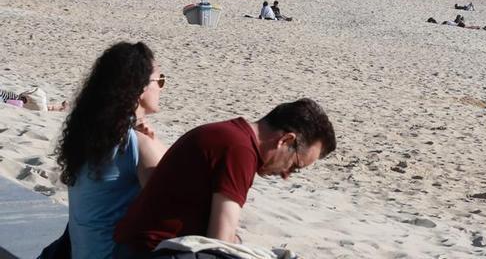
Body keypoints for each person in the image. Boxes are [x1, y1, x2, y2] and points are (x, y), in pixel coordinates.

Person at [113, 99, 336, 257]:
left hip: (139, 246)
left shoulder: (230, 135)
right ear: (285, 140)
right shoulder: (239, 151)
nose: (287, 175)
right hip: (151, 252)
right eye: (294, 165)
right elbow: (219, 242)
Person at [55, 42, 167, 259]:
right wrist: (150, 143)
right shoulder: (136, 145)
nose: (162, 88)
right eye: (160, 80)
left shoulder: (90, 135)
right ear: (141, 88)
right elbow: (173, 209)